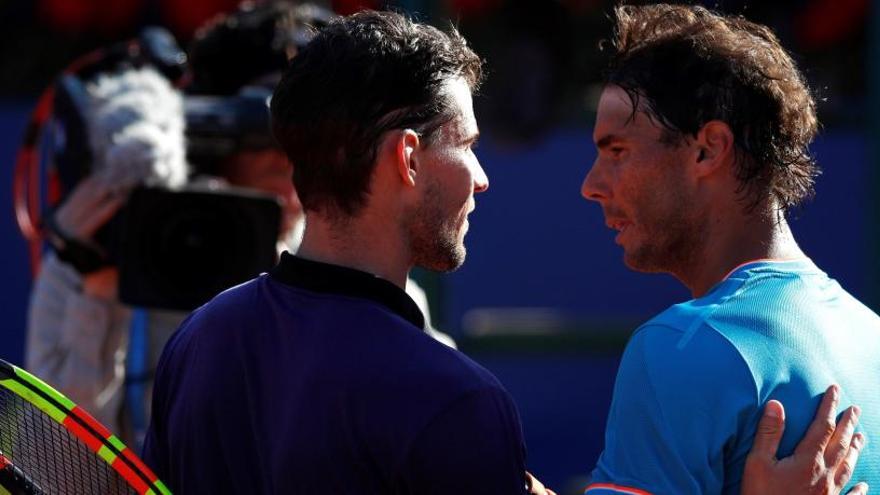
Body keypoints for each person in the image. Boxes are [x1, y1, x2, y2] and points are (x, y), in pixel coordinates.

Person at [142, 9, 868, 495]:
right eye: (468, 146)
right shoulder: (456, 399)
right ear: (406, 158)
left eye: (616, 150)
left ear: (709, 149)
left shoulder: (199, 339)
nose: (484, 177)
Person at [580, 4, 877, 494]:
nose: (591, 185)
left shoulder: (679, 346)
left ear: (708, 149)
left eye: (617, 152)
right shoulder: (874, 337)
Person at [24, 2, 329, 449]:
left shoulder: (357, 271)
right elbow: (57, 470)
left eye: (316, 129)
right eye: (265, 124)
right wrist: (99, 295)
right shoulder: (88, 262)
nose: (289, 154)